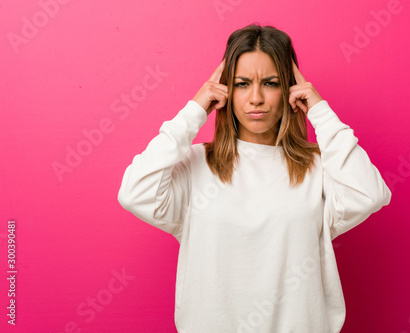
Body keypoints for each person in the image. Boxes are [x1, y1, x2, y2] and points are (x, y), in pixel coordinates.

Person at [117, 23, 391, 333]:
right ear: (225, 90)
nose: (256, 98)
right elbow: (134, 193)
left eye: (271, 83)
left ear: (289, 89)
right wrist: (195, 109)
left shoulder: (321, 166)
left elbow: (370, 194)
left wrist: (320, 111)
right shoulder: (195, 165)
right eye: (242, 83)